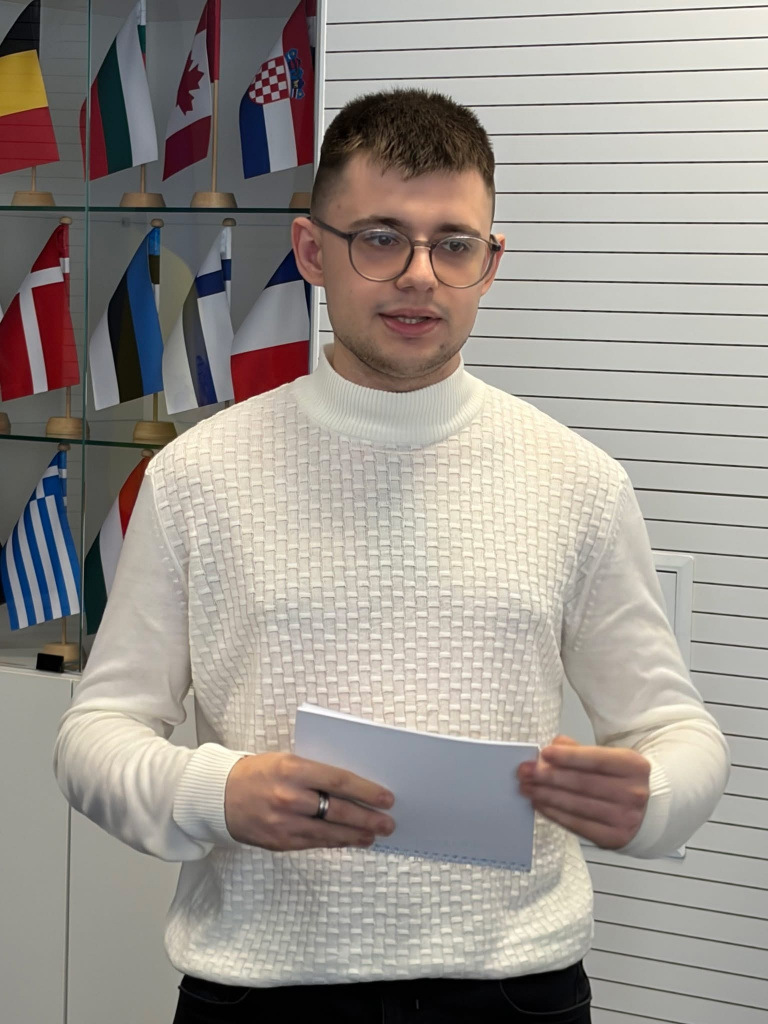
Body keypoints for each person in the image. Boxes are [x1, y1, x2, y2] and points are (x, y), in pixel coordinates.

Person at [54, 89, 729, 1024]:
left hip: (515, 993)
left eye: (454, 244)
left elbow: (677, 730)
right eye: (380, 238)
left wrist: (654, 798)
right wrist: (216, 792)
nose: (420, 275)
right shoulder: (196, 476)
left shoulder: (578, 481)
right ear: (311, 250)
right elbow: (95, 735)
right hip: (261, 993)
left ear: (490, 262)